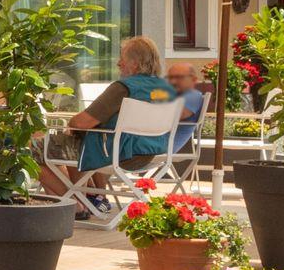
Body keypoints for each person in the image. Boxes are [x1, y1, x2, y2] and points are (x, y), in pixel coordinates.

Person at [41, 35, 192, 213]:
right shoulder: (167, 89)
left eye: (122, 58)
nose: (118, 63)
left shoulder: (123, 87)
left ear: (135, 64)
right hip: (152, 153)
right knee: (73, 143)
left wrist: (72, 124)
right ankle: (87, 197)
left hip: (117, 154)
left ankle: (76, 205)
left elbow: (81, 122)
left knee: (35, 148)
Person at [166, 60, 208, 155]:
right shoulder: (172, 96)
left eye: (179, 77)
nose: (173, 81)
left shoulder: (193, 96)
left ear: (193, 79)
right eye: (170, 77)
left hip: (161, 146)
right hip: (151, 142)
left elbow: (176, 115)